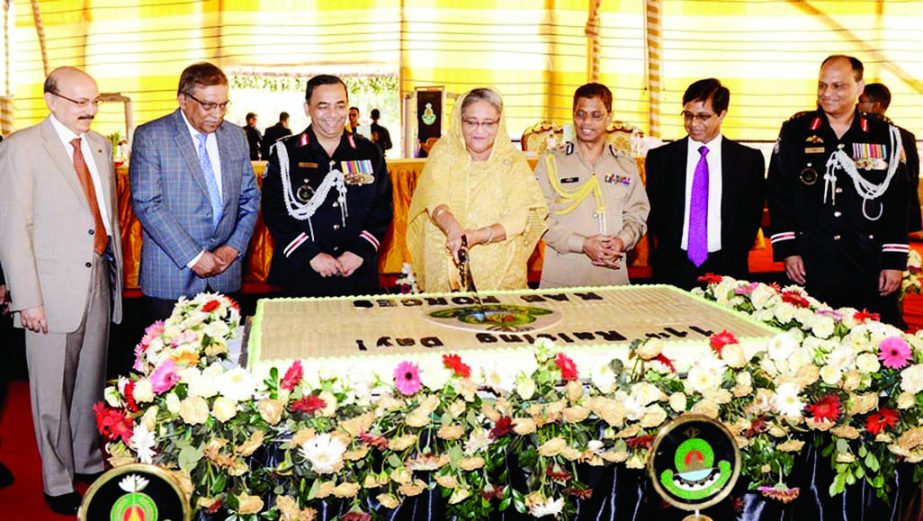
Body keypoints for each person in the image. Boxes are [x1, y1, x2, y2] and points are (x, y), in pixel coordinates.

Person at [0, 66, 123, 514]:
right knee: (51, 393)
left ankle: (87, 461)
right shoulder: (21, 148)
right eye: (79, 102)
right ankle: (55, 480)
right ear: (51, 99)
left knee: (90, 385)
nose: (90, 110)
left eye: (95, 101)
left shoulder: (99, 145)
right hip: (49, 292)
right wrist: (26, 298)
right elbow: (15, 228)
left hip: (99, 280)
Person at [767, 55, 909, 325]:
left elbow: (898, 201)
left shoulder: (884, 135)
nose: (827, 93)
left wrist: (893, 260)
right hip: (811, 259)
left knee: (869, 337)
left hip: (867, 260)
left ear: (859, 88)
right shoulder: (796, 132)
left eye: (837, 86)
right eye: (822, 86)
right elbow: (778, 193)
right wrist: (788, 250)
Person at [130, 62, 260, 323]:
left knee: (227, 360)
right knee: (171, 362)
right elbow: (148, 204)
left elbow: (250, 198)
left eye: (223, 105)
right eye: (208, 105)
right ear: (183, 100)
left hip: (225, 276)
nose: (217, 114)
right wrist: (194, 256)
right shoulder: (152, 136)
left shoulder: (235, 136)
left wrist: (233, 247)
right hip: (172, 278)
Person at [262, 75, 393, 297]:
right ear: (307, 108)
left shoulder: (369, 152)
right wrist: (310, 255)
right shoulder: (285, 153)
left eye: (340, 106)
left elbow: (382, 208)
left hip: (356, 272)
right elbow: (274, 211)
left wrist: (359, 252)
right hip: (301, 273)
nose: (333, 114)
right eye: (323, 106)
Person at [407, 88, 547, 292]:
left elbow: (518, 218)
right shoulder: (444, 154)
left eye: (488, 123)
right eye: (471, 122)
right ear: (459, 121)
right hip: (446, 268)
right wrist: (452, 228)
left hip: (502, 270)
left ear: (500, 123)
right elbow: (434, 198)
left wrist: (478, 235)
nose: (479, 131)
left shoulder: (512, 161)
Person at [645, 78, 765, 290]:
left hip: (727, 267)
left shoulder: (748, 161)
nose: (693, 124)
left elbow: (750, 217)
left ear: (722, 114)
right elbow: (656, 214)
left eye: (703, 116)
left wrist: (733, 251)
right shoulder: (660, 159)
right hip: (673, 266)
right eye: (688, 115)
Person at [535, 83, 649, 288]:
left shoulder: (625, 165)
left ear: (609, 117)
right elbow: (539, 218)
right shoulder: (550, 162)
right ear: (573, 115)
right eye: (581, 114)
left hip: (612, 278)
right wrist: (583, 244)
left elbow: (637, 215)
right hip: (564, 278)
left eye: (596, 115)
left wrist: (622, 241)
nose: (587, 122)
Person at [859, 82, 921, 233]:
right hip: (869, 212)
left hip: (884, 211)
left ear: (876, 106)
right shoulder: (905, 135)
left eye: (861, 101)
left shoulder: (902, 137)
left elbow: (911, 178)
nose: (858, 106)